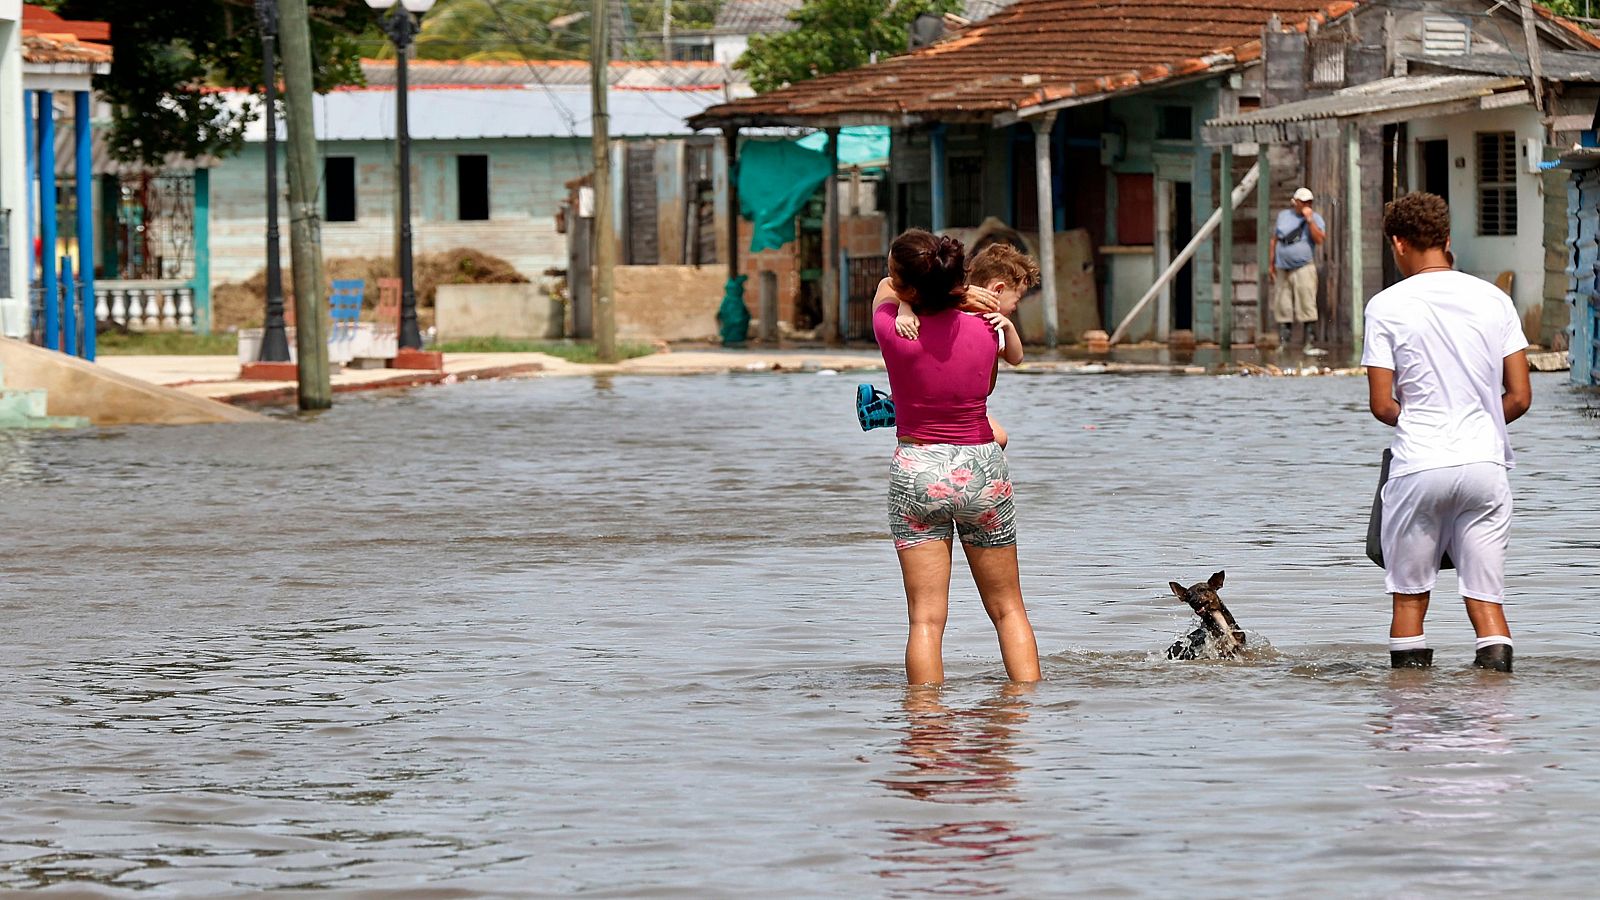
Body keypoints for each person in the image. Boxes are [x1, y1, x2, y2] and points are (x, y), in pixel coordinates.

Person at [1362, 192, 1532, 672]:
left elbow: (1381, 404)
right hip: (1485, 467)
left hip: (1419, 466)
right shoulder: (1494, 299)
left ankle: (1410, 723)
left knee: (1410, 602)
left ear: (1398, 243)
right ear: (1447, 239)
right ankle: (1492, 728)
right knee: (1486, 603)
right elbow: (1519, 396)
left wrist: (1424, 418)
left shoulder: (1386, 305)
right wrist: (1474, 418)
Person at [875, 229, 1041, 685]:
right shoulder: (989, 329)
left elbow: (883, 290)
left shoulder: (892, 328)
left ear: (909, 288)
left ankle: (925, 729)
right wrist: (967, 296)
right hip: (981, 469)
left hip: (917, 471)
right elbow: (985, 388)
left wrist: (918, 298)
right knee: (1009, 610)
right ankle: (1026, 716)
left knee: (926, 621)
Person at [891, 242, 1040, 447]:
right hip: (938, 394)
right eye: (1017, 299)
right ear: (998, 289)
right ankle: (894, 402)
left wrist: (1009, 329)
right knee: (997, 437)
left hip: (967, 405)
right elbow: (910, 295)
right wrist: (904, 310)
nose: (1016, 307)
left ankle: (895, 404)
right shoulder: (953, 313)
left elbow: (1016, 358)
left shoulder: (996, 324)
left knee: (1000, 439)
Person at [1269, 187, 1327, 349]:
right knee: (1283, 305)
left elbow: (1320, 239)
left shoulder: (1315, 218)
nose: (1307, 205)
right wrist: (1271, 264)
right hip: (1283, 267)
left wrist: (1310, 221)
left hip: (1303, 267)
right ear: (1295, 202)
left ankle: (1309, 342)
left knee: (1306, 303)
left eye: (1309, 202)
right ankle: (1284, 342)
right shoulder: (1283, 217)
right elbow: (1274, 240)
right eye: (1303, 202)